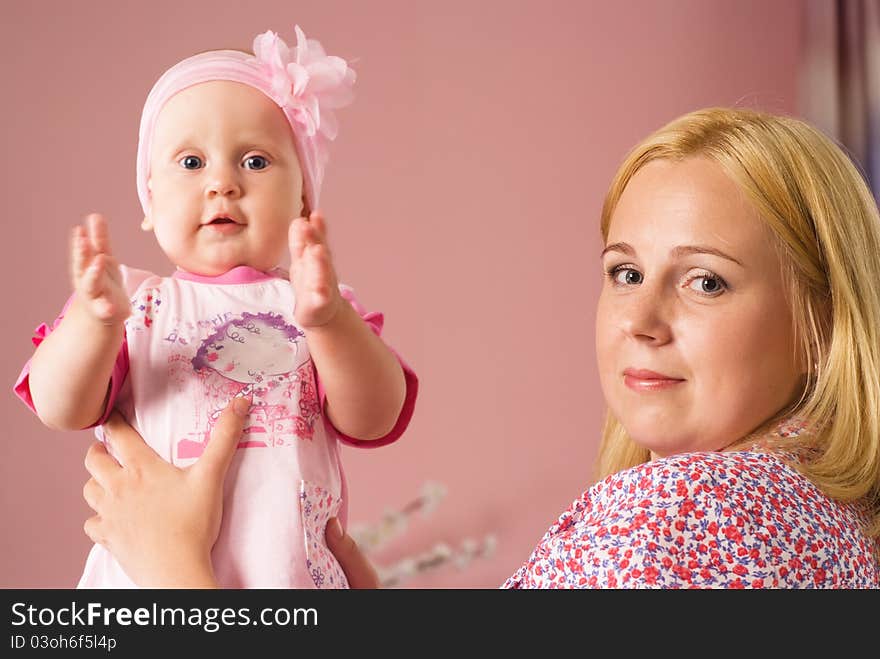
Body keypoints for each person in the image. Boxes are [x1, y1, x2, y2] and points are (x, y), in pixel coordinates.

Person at [83, 107, 879, 588]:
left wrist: (174, 574)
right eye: (625, 271)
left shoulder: (688, 510)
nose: (641, 318)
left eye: (705, 281)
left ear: (820, 319)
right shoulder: (824, 520)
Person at [14, 25, 418, 589]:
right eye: (190, 162)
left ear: (303, 196)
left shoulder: (317, 304)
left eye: (255, 161)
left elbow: (377, 415)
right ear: (149, 199)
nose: (222, 183)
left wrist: (330, 324)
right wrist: (93, 320)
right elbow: (61, 407)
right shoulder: (136, 303)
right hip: (147, 586)